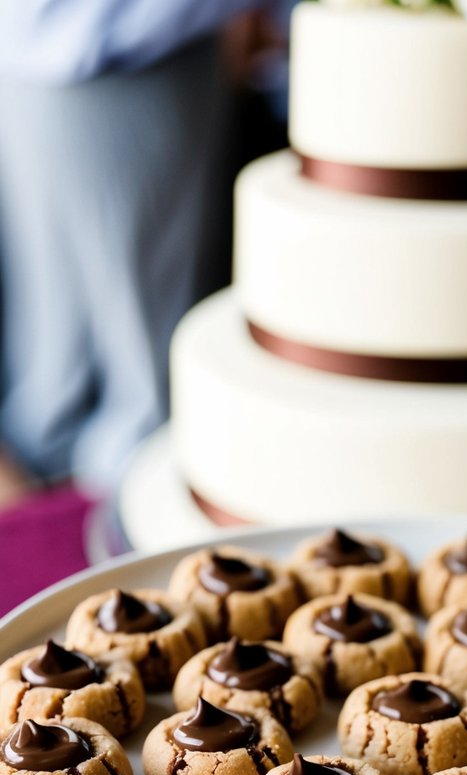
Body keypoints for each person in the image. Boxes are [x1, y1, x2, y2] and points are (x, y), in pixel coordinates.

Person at [0, 1, 286, 508]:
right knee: (136, 391)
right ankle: (108, 536)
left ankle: (72, 529)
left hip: (53, 44)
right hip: (121, 42)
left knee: (63, 376)